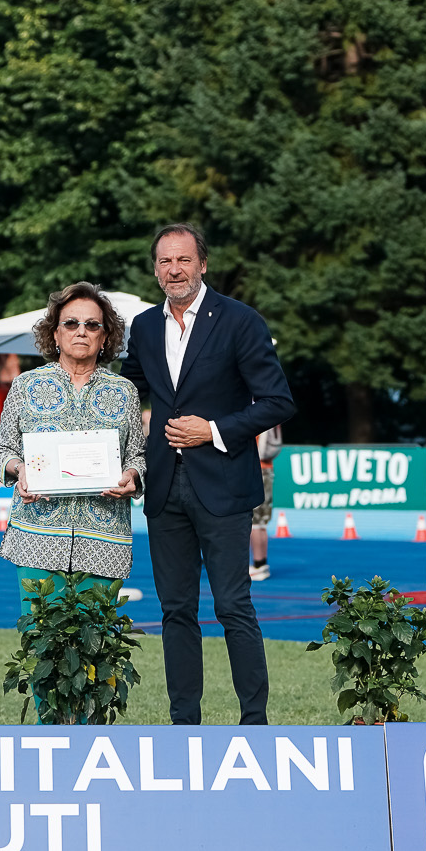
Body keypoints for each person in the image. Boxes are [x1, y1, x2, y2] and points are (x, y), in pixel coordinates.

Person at [121, 223, 294, 727]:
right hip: (162, 489)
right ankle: (184, 725)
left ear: (202, 264)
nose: (174, 269)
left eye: (184, 260)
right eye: (165, 261)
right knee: (175, 610)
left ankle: (254, 722)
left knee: (233, 606)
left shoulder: (240, 320)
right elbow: (126, 394)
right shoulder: (145, 327)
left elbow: (278, 401)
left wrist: (213, 429)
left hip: (223, 483)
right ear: (155, 270)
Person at [0, 281, 146, 599]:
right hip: (37, 538)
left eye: (92, 325)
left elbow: (137, 455)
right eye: (71, 323)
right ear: (55, 334)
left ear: (105, 337)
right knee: (38, 629)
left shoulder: (125, 391)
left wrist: (132, 476)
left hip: (104, 541)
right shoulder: (25, 386)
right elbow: (3, 450)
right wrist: (20, 470)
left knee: (97, 631)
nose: (81, 331)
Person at [248, 423, 284, 582]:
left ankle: (258, 565)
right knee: (261, 522)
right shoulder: (272, 416)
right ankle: (261, 563)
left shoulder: (257, 416)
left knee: (255, 521)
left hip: (256, 467)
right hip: (267, 468)